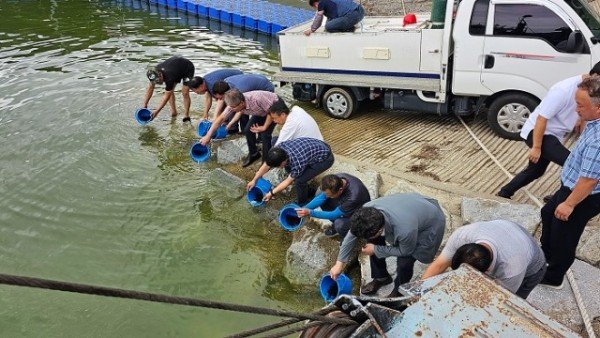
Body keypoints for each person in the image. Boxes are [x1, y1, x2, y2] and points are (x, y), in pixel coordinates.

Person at [497, 62, 600, 199]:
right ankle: (561, 199)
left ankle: (505, 192)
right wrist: (536, 147)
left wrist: (581, 124)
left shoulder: (589, 91)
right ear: (594, 76)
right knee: (573, 164)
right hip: (538, 132)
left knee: (535, 171)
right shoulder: (563, 90)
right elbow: (541, 119)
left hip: (554, 135)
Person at [539, 74, 600, 289]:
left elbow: (589, 181)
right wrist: (583, 119)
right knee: (547, 213)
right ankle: (545, 254)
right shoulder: (593, 120)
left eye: (580, 106)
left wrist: (569, 204)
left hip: (583, 194)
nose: (576, 110)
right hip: (572, 185)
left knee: (564, 234)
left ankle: (554, 276)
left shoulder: (598, 142)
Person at [329, 193, 445, 298]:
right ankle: (381, 277)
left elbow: (405, 251)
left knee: (405, 262)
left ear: (380, 230)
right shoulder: (367, 212)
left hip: (430, 221)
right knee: (371, 240)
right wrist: (339, 263)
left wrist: (376, 249)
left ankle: (399, 290)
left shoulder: (405, 230)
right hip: (409, 207)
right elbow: (351, 235)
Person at [422, 220, 546, 299]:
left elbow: (499, 299)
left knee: (511, 309)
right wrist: (418, 293)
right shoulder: (462, 236)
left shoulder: (511, 268)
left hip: (532, 269)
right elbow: (438, 265)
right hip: (509, 231)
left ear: (487, 272)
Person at [200, 90, 279, 167]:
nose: (231, 109)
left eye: (233, 107)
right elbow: (220, 119)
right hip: (260, 111)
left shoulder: (257, 99)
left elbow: (271, 111)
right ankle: (254, 154)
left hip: (274, 110)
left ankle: (266, 162)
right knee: (248, 130)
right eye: (230, 107)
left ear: (241, 103)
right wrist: (208, 136)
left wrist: (264, 126)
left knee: (265, 135)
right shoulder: (235, 104)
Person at [247, 137, 334, 205]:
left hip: (325, 158)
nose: (278, 168)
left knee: (299, 180)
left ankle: (303, 202)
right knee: (290, 170)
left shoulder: (297, 162)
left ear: (283, 161)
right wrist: (254, 180)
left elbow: (288, 181)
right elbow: (267, 165)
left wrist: (271, 193)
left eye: (278, 166)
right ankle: (308, 190)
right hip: (315, 148)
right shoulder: (278, 149)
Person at [296, 173, 371, 238]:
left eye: (330, 195)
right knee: (321, 196)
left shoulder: (353, 196)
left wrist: (310, 212)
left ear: (340, 190)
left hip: (360, 214)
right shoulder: (335, 179)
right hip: (347, 205)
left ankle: (348, 237)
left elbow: (333, 215)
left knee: (339, 224)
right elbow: (322, 197)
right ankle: (337, 223)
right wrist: (304, 208)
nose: (327, 196)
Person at [143, 56, 195, 122]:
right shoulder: (153, 73)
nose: (158, 83)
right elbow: (150, 89)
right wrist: (145, 105)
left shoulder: (169, 77)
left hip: (187, 68)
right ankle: (174, 112)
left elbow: (166, 96)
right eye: (156, 82)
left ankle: (186, 115)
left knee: (185, 92)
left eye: (158, 81)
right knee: (170, 90)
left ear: (160, 74)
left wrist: (157, 111)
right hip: (175, 69)